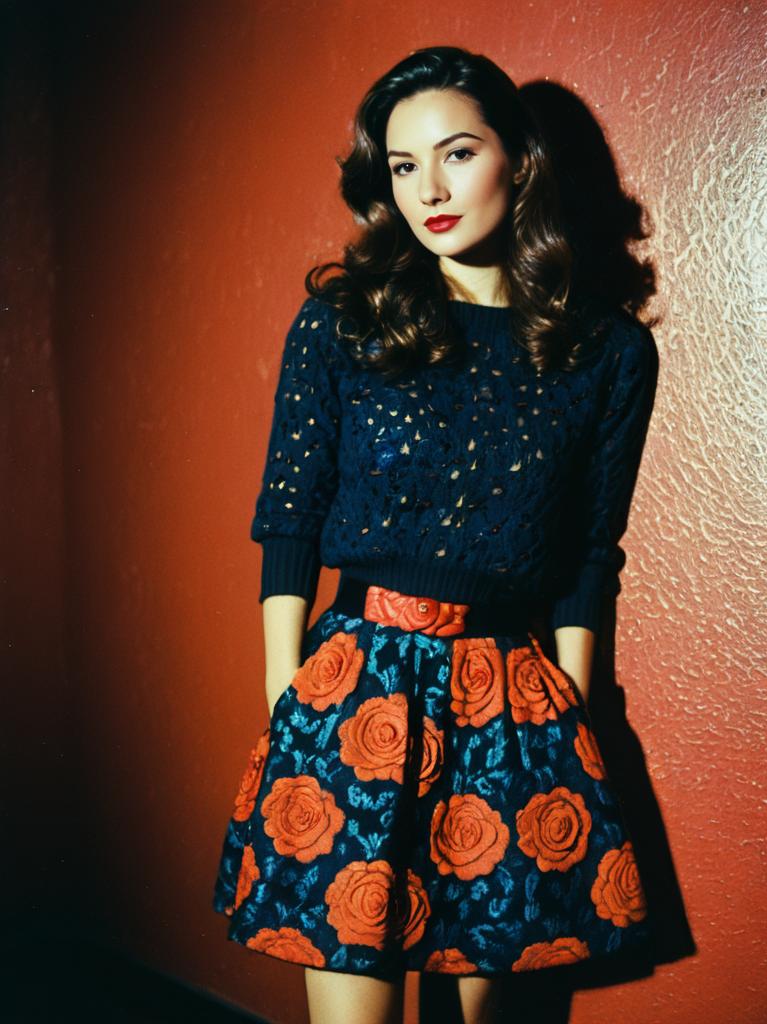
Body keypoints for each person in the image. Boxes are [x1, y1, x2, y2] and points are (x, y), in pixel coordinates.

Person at [212, 45, 658, 1024]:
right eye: (404, 167)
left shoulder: (607, 352)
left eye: (456, 153)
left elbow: (592, 551)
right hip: (352, 686)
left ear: (518, 160)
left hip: (511, 701)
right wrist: (287, 690)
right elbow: (288, 513)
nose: (430, 189)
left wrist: (568, 717)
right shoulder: (342, 323)